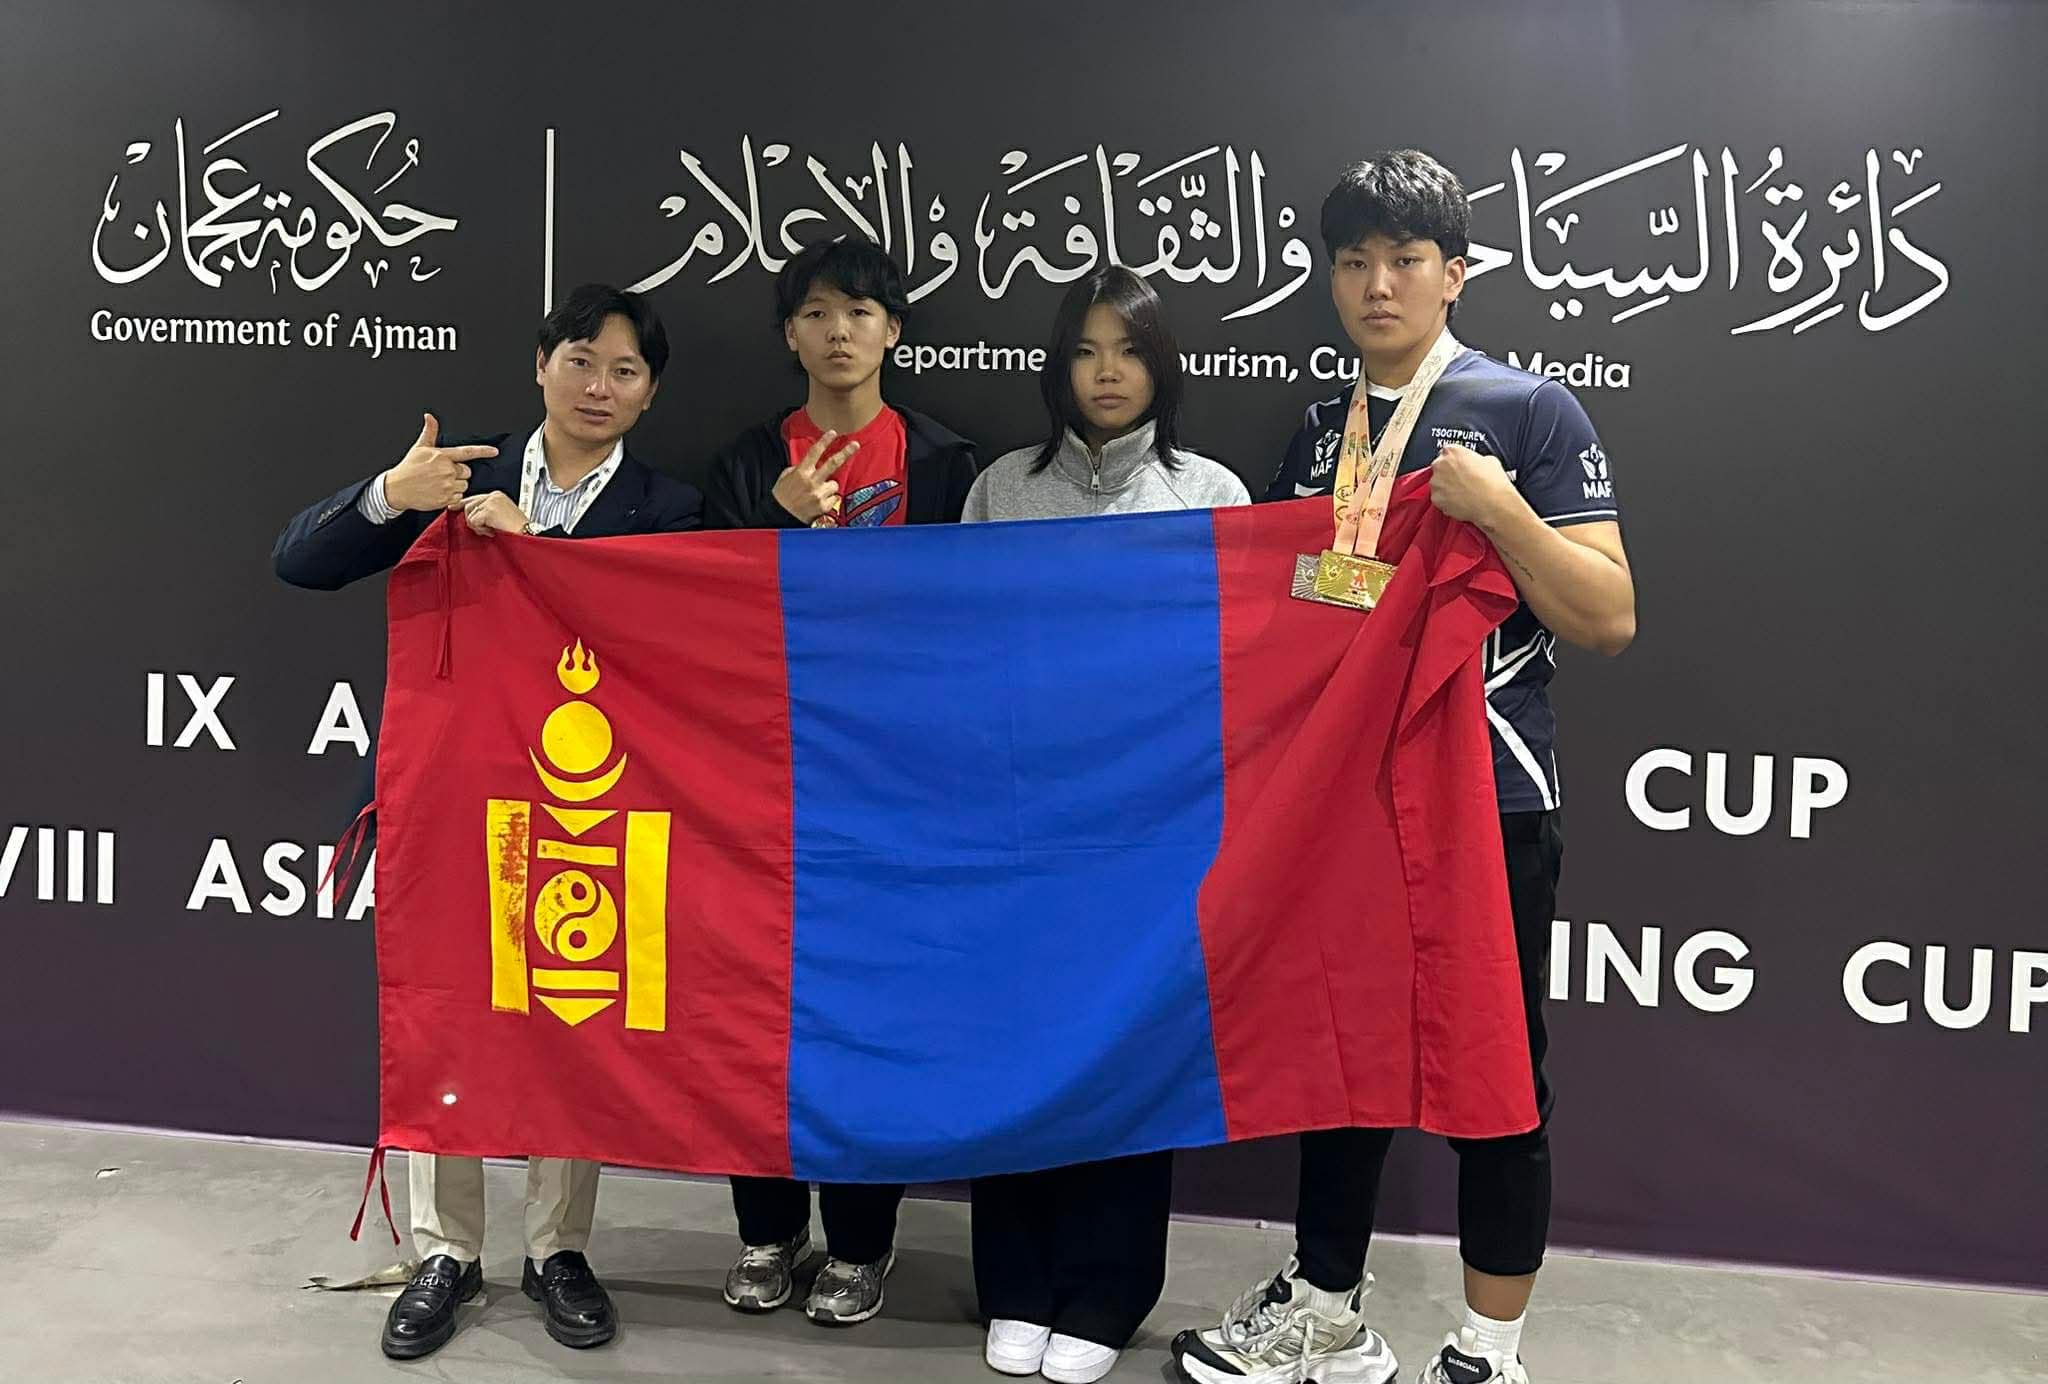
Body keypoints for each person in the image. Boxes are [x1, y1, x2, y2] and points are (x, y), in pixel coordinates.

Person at [1170, 151, 1636, 1384]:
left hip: (1488, 794)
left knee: (1497, 1067)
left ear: (1453, 274)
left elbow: (1606, 615)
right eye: (1354, 261)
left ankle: (1488, 1349)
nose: (1378, 284)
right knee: (1343, 1049)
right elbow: (1295, 616)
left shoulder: (1530, 412)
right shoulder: (1320, 429)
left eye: (1405, 259)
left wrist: (1496, 511)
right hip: (1347, 797)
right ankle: (1326, 1308)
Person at [272, 283, 702, 1360]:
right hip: (454, 797)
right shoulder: (456, 475)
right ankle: (446, 1252)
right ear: (540, 365)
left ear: (650, 394)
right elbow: (300, 560)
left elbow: (672, 646)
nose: (598, 387)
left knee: (576, 1006)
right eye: (580, 361)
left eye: (624, 371)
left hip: (591, 805)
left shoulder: (669, 506)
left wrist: (539, 549)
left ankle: (558, 1248)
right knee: (449, 1005)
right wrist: (388, 494)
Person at [964, 265, 1247, 1384]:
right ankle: (1016, 1281)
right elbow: (959, 652)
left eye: (1127, 350)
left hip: (1148, 833)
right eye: (1084, 351)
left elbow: (1240, 662)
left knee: (1128, 1051)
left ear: (1160, 365)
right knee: (1016, 1048)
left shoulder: (1210, 493)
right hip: (1020, 825)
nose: (1107, 372)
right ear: (1058, 367)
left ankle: (1108, 1288)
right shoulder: (1002, 488)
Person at [702, 236, 979, 1326]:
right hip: (763, 772)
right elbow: (700, 612)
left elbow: (970, 623)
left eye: (860, 312)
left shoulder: (949, 462)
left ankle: (862, 1239)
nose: (838, 332)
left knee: (873, 1008)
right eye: (816, 312)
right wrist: (770, 518)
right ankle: (768, 1229)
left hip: (898, 781)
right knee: (753, 1001)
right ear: (790, 334)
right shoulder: (742, 462)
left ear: (893, 330)